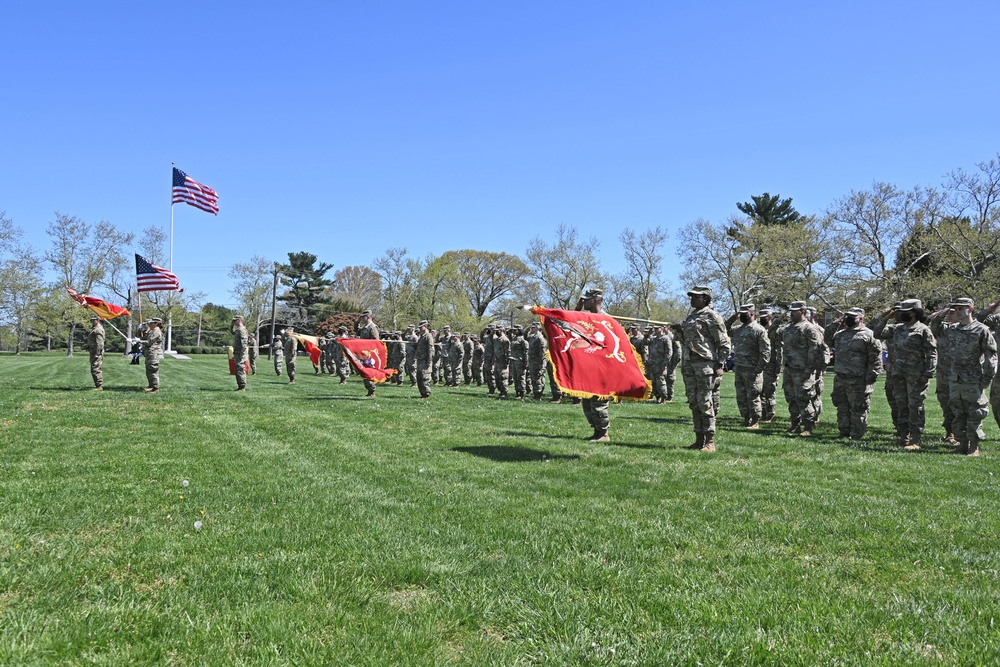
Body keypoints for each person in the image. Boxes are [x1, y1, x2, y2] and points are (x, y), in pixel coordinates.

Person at [939, 298, 997, 456]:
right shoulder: (953, 329)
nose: (957, 311)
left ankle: (974, 446)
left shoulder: (981, 330)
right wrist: (942, 312)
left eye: (960, 308)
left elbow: (991, 356)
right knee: (958, 413)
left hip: (973, 379)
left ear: (970, 309)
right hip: (955, 378)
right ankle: (962, 443)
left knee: (975, 413)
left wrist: (986, 379)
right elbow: (934, 327)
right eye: (955, 309)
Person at [679, 285, 731, 451]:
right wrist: (679, 331)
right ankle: (698, 438)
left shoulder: (712, 316)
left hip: (705, 364)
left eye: (696, 296)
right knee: (693, 401)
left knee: (704, 401)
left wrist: (720, 364)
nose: (692, 299)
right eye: (691, 296)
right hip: (689, 363)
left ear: (706, 299)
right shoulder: (691, 316)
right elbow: (687, 341)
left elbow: (723, 343)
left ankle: (710, 441)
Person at [823, 307, 883, 441]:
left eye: (852, 317)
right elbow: (827, 338)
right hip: (840, 377)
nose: (848, 319)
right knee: (841, 406)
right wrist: (836, 323)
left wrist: (870, 379)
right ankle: (843, 432)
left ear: (861, 318)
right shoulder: (840, 334)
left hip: (858, 379)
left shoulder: (869, 335)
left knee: (858, 408)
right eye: (847, 316)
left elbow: (876, 359)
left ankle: (856, 434)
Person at [888, 299, 937, 450]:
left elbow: (932, 352)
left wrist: (928, 372)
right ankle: (904, 436)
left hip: (916, 375)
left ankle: (915, 439)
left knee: (915, 405)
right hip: (899, 373)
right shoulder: (897, 329)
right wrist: (885, 316)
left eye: (906, 312)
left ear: (915, 313)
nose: (902, 315)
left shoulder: (923, 329)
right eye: (901, 312)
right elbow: (876, 332)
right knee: (901, 404)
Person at [781, 302, 826, 436]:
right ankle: (795, 424)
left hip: (803, 370)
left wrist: (810, 369)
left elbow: (815, 350)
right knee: (791, 398)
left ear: (802, 311)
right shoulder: (788, 328)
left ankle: (808, 426)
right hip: (789, 369)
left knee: (804, 398)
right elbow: (773, 336)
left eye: (794, 311)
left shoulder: (809, 328)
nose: (791, 313)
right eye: (791, 311)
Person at [575, 288, 613, 442]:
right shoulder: (586, 318)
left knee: (599, 401)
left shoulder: (606, 320)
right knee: (587, 402)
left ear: (596, 300)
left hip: (602, 367)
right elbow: (570, 323)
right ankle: (597, 431)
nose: (584, 302)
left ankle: (604, 433)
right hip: (588, 366)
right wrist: (577, 308)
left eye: (587, 299)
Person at [726, 304, 771, 428]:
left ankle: (755, 421)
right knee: (741, 396)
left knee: (753, 396)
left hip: (753, 369)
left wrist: (759, 368)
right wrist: (732, 317)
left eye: (744, 314)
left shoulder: (759, 330)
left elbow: (765, 351)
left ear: (752, 313)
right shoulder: (738, 329)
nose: (742, 316)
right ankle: (746, 418)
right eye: (741, 314)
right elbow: (724, 328)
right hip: (739, 368)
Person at [760, 309, 783, 422]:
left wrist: (778, 367)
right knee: (759, 392)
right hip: (759, 365)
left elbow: (779, 350)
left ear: (770, 317)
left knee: (769, 392)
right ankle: (762, 414)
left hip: (771, 365)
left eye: (765, 316)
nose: (762, 318)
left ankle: (770, 415)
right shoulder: (759, 330)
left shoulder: (776, 331)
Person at [358, 309, 380, 397]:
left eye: (363, 317)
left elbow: (376, 342)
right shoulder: (364, 327)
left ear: (368, 317)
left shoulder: (372, 327)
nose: (362, 319)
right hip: (364, 354)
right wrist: (357, 322)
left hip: (369, 355)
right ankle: (369, 390)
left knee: (368, 373)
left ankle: (372, 390)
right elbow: (357, 330)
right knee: (364, 373)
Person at [527, 322, 548, 400]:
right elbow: (526, 334)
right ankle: (535, 393)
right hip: (532, 360)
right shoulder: (532, 337)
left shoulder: (540, 338)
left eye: (533, 327)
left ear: (538, 328)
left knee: (538, 378)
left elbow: (542, 352)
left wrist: (542, 364)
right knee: (533, 377)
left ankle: (538, 394)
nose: (532, 329)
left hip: (538, 361)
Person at [143, 318, 164, 393]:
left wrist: (139, 341)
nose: (149, 325)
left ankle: (155, 388)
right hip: (150, 354)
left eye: (151, 323)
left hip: (154, 354)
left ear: (156, 324)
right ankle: (151, 386)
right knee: (149, 371)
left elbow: (149, 342)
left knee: (153, 371)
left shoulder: (156, 332)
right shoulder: (153, 331)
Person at [415, 320, 434, 399]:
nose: (420, 329)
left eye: (421, 327)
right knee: (419, 378)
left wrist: (429, 361)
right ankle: (422, 393)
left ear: (426, 326)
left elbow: (431, 350)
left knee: (425, 378)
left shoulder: (428, 336)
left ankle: (426, 394)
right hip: (420, 360)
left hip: (425, 361)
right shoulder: (421, 336)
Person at [492, 325, 511, 399]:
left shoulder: (505, 340)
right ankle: (500, 391)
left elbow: (507, 352)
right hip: (497, 361)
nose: (496, 332)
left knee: (503, 377)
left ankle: (504, 392)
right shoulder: (496, 339)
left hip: (502, 361)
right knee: (497, 377)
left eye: (497, 330)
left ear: (502, 330)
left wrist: (506, 362)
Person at [87, 315, 105, 390]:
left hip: (96, 353)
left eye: (93, 320)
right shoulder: (95, 329)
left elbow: (100, 343)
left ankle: (99, 386)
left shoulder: (98, 330)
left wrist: (98, 353)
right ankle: (98, 385)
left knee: (96, 368)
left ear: (97, 320)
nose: (92, 321)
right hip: (93, 351)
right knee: (94, 368)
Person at [232, 316, 249, 391]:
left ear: (239, 320)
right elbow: (232, 332)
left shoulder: (242, 330)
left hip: (240, 353)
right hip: (237, 352)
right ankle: (240, 386)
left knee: (240, 369)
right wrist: (231, 325)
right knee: (237, 370)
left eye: (235, 321)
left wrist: (242, 353)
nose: (234, 322)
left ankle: (242, 387)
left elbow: (244, 343)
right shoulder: (238, 330)